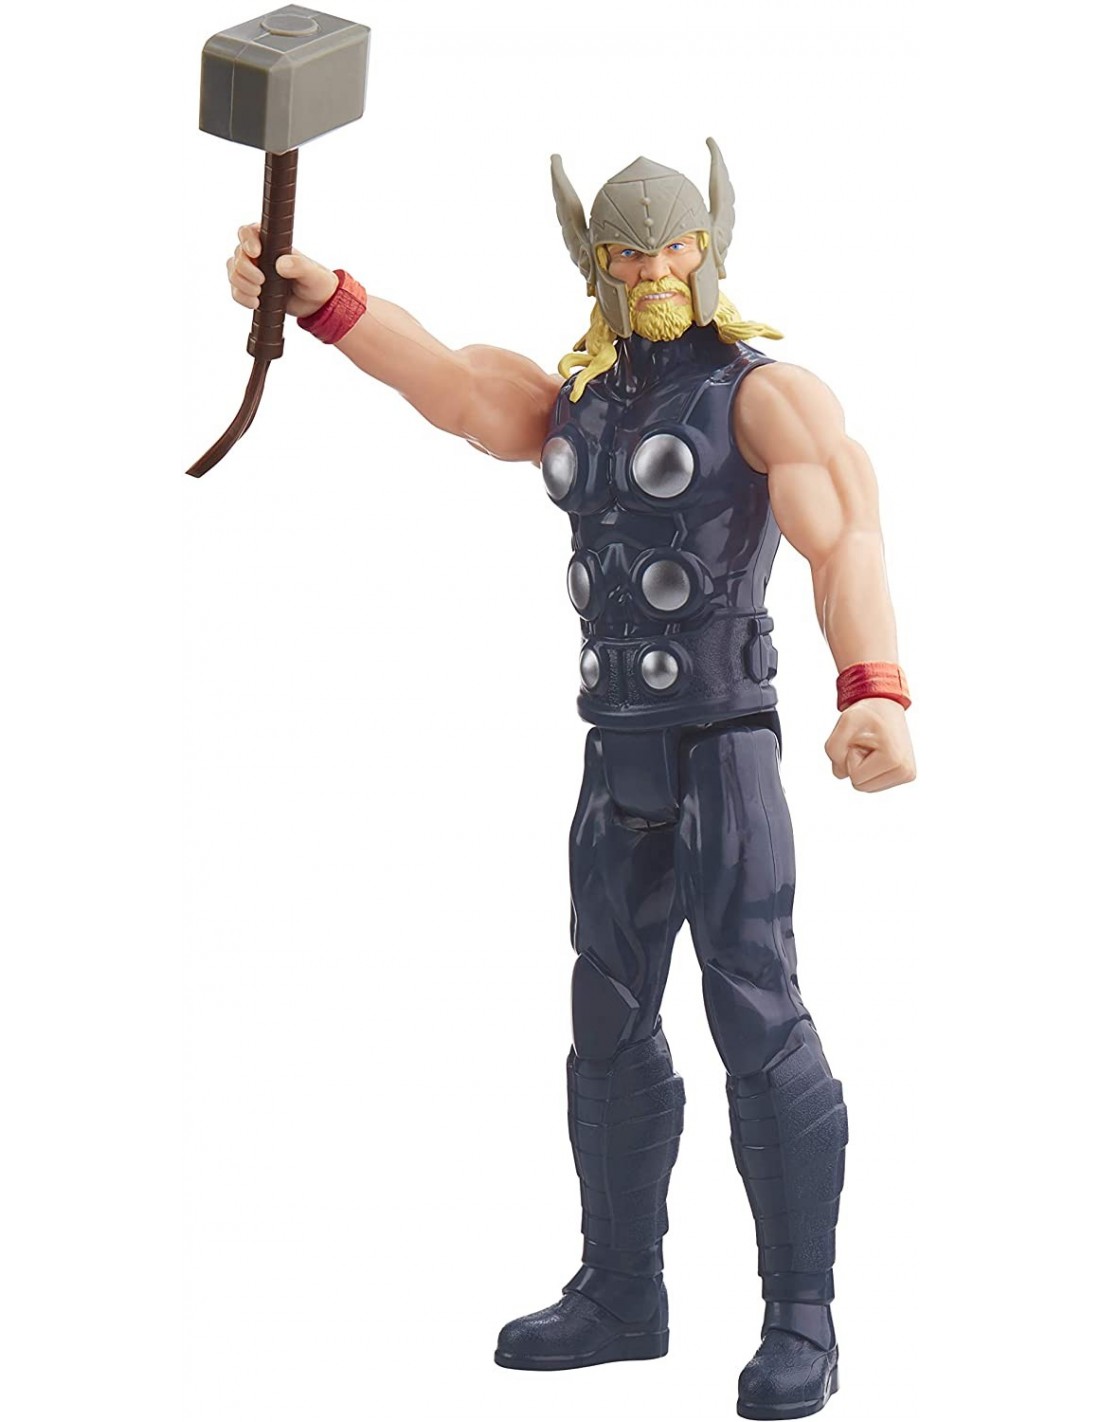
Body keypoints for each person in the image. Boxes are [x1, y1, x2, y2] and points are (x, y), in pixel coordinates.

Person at [226, 139, 914, 1420]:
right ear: (593, 263)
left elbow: (844, 532)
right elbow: (446, 382)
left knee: (755, 1015)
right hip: (615, 754)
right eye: (626, 253)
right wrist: (320, 297)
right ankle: (619, 1292)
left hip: (724, 747)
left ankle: (800, 1316)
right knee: (605, 1016)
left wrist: (871, 685)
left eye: (672, 246)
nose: (652, 270)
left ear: (708, 248)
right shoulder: (576, 404)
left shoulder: (764, 396)